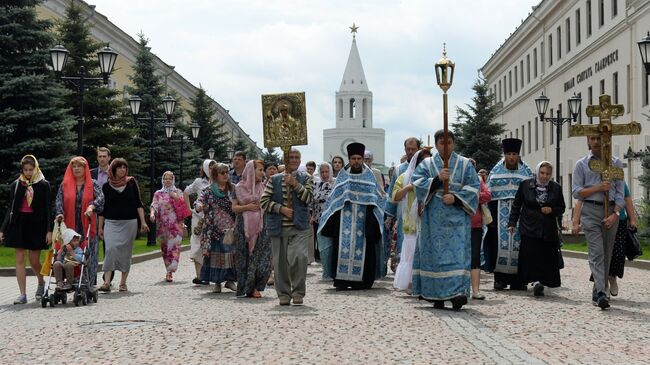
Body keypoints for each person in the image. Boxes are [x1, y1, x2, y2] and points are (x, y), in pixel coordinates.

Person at [411, 130, 479, 310]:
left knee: (458, 257)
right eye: (442, 142)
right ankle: (435, 295)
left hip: (457, 220)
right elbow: (416, 183)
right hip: (433, 220)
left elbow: (474, 187)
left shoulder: (465, 165)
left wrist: (456, 199)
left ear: (454, 143)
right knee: (435, 257)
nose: (446, 146)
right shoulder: (427, 164)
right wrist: (437, 180)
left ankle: (457, 294)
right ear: (436, 144)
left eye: (449, 142)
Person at [318, 142, 385, 291]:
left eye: (359, 158)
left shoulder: (369, 176)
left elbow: (377, 197)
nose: (356, 161)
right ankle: (342, 280)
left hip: (364, 220)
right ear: (349, 159)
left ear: (362, 159)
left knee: (366, 250)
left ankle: (362, 281)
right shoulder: (343, 175)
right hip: (344, 220)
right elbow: (334, 199)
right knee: (341, 248)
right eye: (353, 158)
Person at [572, 135, 625, 309]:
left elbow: (620, 191)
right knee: (596, 252)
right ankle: (602, 293)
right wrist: (598, 188)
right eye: (593, 138)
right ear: (588, 141)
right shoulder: (581, 164)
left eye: (599, 139)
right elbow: (577, 192)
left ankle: (598, 287)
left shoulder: (615, 163)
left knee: (607, 252)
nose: (596, 142)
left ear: (606, 141)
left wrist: (615, 213)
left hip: (610, 210)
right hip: (590, 211)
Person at [260, 148, 313, 305]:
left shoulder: (306, 178)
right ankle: (283, 294)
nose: (294, 160)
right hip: (279, 227)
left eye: (297, 157)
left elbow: (308, 198)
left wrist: (295, 184)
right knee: (280, 263)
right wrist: (280, 209)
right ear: (285, 159)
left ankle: (298, 292)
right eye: (291, 157)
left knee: (300, 258)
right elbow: (263, 201)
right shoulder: (274, 180)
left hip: (299, 227)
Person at [508, 161, 565, 297]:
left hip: (548, 228)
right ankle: (534, 281)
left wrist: (551, 210)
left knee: (545, 257)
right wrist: (512, 223)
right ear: (537, 172)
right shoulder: (526, 185)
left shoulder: (556, 187)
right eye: (542, 173)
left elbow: (561, 207)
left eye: (548, 174)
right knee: (530, 255)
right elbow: (517, 205)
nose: (545, 176)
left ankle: (542, 281)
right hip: (529, 226)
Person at [0, 155, 52, 304]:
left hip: (36, 225)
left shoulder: (43, 184)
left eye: (31, 169)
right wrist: (2, 229)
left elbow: (48, 209)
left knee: (34, 260)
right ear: (22, 170)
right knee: (20, 258)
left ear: (36, 168)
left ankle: (41, 282)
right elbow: (11, 208)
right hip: (19, 223)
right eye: (26, 170)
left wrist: (49, 230)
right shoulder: (16, 184)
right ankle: (22, 294)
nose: (28, 173)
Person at [572, 182, 637, 297]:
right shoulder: (594, 182)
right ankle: (601, 286)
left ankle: (612, 277)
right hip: (599, 219)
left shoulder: (619, 182)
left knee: (618, 253)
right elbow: (580, 200)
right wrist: (576, 222)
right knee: (599, 253)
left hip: (619, 219)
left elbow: (627, 199)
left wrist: (632, 219)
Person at [485, 138, 533, 290]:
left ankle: (519, 280)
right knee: (498, 245)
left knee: (520, 246)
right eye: (509, 154)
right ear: (504, 155)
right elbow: (488, 195)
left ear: (518, 155)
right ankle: (499, 279)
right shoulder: (496, 172)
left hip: (521, 215)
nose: (512, 157)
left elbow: (532, 194)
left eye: (514, 154)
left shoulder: (527, 172)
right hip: (499, 214)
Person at [97, 158, 147, 292]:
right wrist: (100, 227)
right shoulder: (106, 186)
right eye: (119, 168)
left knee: (126, 252)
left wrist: (143, 221)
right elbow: (102, 208)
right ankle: (106, 282)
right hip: (111, 222)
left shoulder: (131, 183)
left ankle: (123, 283)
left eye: (124, 167)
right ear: (113, 169)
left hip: (129, 222)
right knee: (110, 250)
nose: (122, 170)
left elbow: (138, 203)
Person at [55, 156, 104, 288]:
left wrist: (92, 206)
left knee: (88, 253)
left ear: (85, 168)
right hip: (70, 226)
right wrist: (59, 213)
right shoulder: (65, 184)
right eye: (74, 166)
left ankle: (88, 281)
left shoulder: (92, 183)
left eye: (79, 166)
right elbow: (59, 201)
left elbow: (101, 198)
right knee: (68, 252)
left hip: (87, 223)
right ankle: (70, 280)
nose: (76, 169)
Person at [391, 148, 431, 292]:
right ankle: (409, 282)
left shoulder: (433, 177)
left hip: (429, 221)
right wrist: (408, 187)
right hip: (412, 223)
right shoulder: (404, 176)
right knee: (410, 253)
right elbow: (395, 197)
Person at [232, 160, 272, 298]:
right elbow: (234, 207)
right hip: (243, 226)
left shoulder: (264, 187)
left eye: (262, 170)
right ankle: (246, 288)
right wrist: (247, 207)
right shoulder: (239, 187)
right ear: (251, 171)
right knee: (245, 258)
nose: (262, 172)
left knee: (262, 258)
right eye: (260, 170)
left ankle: (256, 285)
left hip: (262, 226)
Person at [198, 163, 237, 293]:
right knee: (215, 255)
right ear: (215, 175)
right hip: (213, 229)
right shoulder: (208, 191)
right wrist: (199, 206)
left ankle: (230, 281)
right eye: (222, 173)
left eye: (227, 172)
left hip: (230, 229)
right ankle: (217, 282)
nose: (226, 175)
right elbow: (199, 200)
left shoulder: (233, 190)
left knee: (230, 253)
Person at [384, 137, 422, 274]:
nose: (411, 152)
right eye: (408, 149)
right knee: (404, 246)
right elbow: (391, 194)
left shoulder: (425, 167)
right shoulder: (399, 169)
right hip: (403, 215)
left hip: (422, 214)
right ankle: (406, 277)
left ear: (419, 149)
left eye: (413, 149)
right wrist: (389, 215)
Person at [150, 171, 191, 282]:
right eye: (165, 178)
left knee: (174, 247)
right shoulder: (158, 193)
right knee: (165, 249)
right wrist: (152, 214)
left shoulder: (178, 192)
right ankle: (168, 268)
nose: (167, 181)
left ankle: (170, 271)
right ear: (162, 180)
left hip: (176, 226)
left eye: (169, 178)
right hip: (162, 226)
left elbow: (184, 208)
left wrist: (176, 198)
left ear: (173, 180)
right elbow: (154, 205)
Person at [184, 159, 216, 285]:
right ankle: (199, 275)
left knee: (210, 245)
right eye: (210, 167)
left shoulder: (219, 181)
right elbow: (186, 192)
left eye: (214, 166)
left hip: (213, 218)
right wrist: (189, 209)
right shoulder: (199, 182)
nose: (212, 169)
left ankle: (209, 274)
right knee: (197, 243)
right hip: (199, 218)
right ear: (205, 168)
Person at [470, 163, 491, 300]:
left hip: (475, 224)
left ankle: (476, 290)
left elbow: (487, 195)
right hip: (457, 224)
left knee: (475, 257)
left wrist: (474, 195)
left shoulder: (478, 180)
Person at [310, 162, 335, 267]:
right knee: (319, 238)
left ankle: (331, 260)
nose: (324, 174)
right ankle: (320, 257)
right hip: (318, 216)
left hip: (332, 216)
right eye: (322, 172)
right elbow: (313, 199)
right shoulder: (316, 183)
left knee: (330, 239)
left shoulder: (336, 183)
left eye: (326, 171)